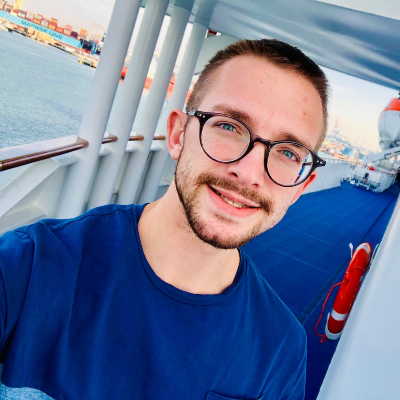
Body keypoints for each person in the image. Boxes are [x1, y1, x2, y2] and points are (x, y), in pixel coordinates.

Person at [0, 39, 328, 399]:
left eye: (287, 153)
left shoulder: (281, 349)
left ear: (300, 188)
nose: (249, 173)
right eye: (229, 126)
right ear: (177, 135)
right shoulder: (27, 268)